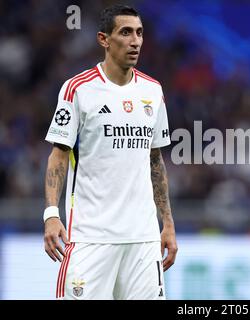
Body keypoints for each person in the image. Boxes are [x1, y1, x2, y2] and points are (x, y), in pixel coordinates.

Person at [43, 4, 177, 300]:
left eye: (140, 33)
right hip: (91, 237)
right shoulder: (77, 89)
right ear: (104, 39)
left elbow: (155, 161)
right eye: (126, 32)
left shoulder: (153, 91)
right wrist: (52, 214)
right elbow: (59, 155)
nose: (135, 41)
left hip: (142, 239)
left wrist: (167, 224)